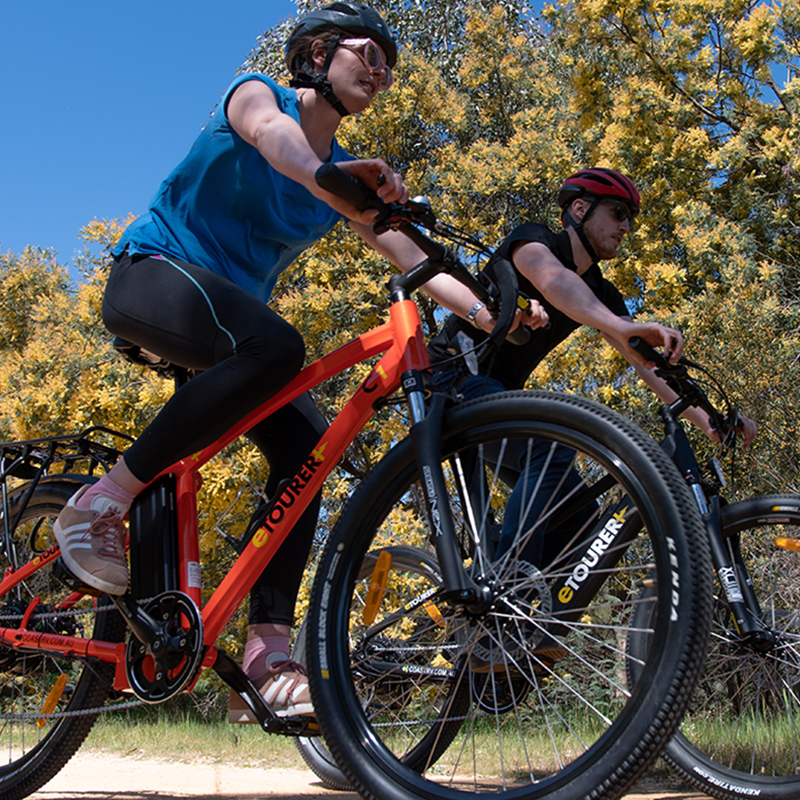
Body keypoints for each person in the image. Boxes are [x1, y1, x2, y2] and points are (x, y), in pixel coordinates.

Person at [52, 2, 536, 721]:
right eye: (368, 52)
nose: (381, 70)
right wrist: (332, 179)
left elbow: (411, 256)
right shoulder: (259, 95)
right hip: (153, 276)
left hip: (227, 331)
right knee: (277, 346)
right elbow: (275, 140)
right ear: (316, 53)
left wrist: (487, 309)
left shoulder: (340, 173)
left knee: (307, 449)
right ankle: (100, 503)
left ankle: (267, 652)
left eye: (388, 65)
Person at [429, 167, 758, 669]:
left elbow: (652, 369)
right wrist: (619, 324)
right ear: (579, 210)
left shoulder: (602, 293)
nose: (626, 227)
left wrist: (710, 419)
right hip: (454, 379)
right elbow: (555, 283)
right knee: (551, 446)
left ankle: (521, 631)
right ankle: (501, 597)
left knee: (580, 516)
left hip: (497, 398)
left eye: (632, 219)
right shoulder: (533, 242)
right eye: (618, 213)